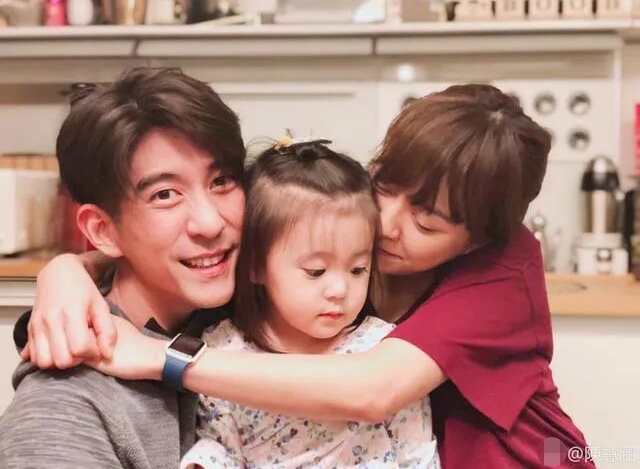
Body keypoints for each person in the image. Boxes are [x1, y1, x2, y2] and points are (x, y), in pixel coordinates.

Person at [22, 84, 594, 468]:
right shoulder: (303, 254)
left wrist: (160, 357)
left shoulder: (500, 272)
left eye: (426, 221)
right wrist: (66, 270)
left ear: (479, 239)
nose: (386, 223)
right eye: (384, 186)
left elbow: (371, 391)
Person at [0, 67, 246, 468]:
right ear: (103, 230)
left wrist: (68, 266)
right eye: (165, 195)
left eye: (222, 180)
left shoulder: (277, 298)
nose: (211, 222)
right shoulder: (64, 411)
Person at [180, 140, 439, 468]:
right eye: (316, 271)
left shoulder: (384, 348)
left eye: (358, 269)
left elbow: (417, 456)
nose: (339, 290)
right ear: (256, 265)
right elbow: (220, 447)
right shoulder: (222, 349)